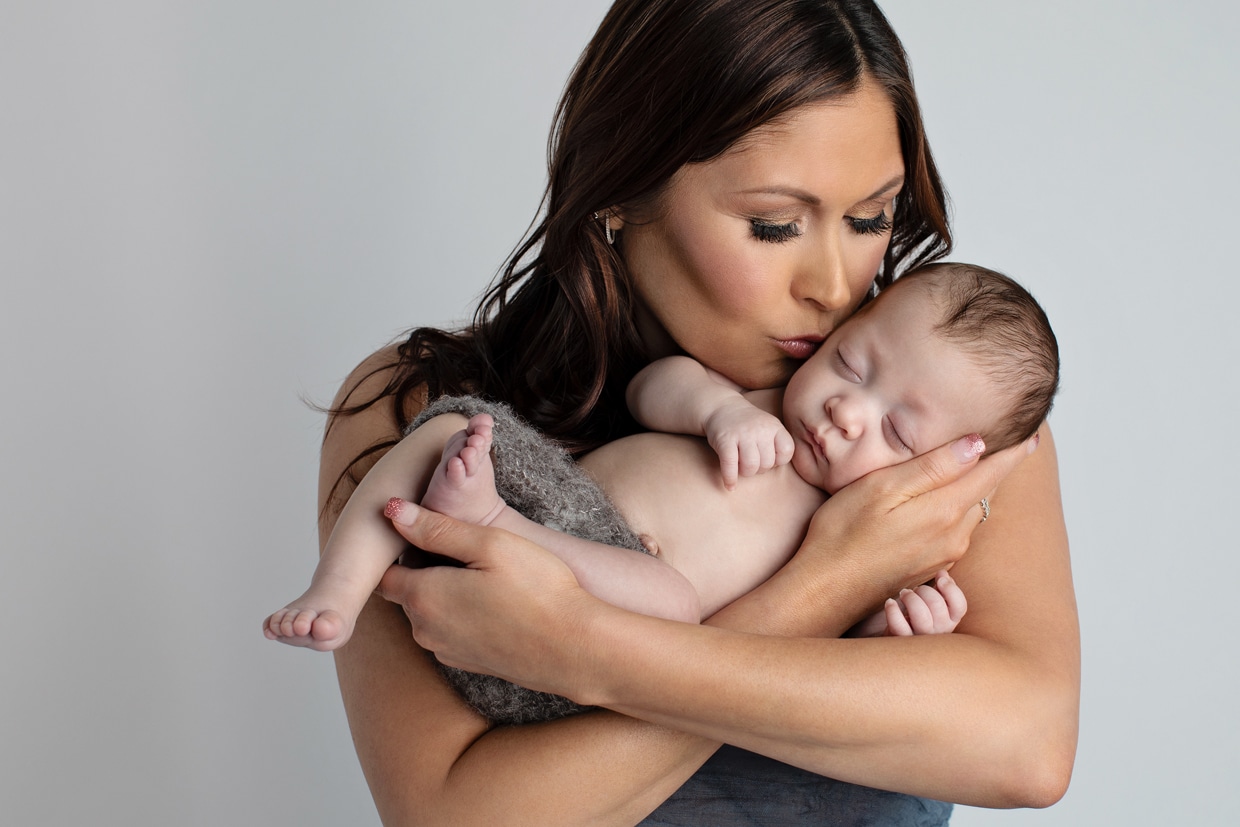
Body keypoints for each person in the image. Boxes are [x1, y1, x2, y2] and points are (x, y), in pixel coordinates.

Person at [313, 1, 1078, 823]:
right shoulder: (424, 409)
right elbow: (459, 816)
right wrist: (827, 581)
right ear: (622, 188)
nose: (834, 284)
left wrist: (591, 649)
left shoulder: (936, 412)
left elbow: (1029, 750)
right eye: (774, 223)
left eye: (870, 218)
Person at [267, 263, 1056, 666]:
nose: (849, 411)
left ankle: (491, 524)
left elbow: (822, 653)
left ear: (943, 471)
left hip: (604, 628)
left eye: (897, 431)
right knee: (450, 428)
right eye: (851, 363)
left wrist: (895, 629)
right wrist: (719, 410)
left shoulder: (868, 537)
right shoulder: (765, 392)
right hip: (559, 499)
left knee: (675, 606)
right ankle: (337, 588)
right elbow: (654, 385)